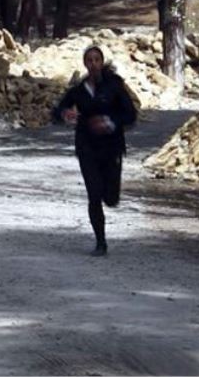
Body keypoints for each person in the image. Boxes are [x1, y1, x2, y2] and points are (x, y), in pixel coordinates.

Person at [52, 45, 137, 256]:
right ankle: (101, 242)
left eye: (97, 60)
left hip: (112, 147)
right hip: (87, 147)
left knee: (111, 198)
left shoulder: (114, 86)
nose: (93, 64)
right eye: (89, 60)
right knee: (94, 194)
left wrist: (110, 122)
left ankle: (110, 197)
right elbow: (58, 110)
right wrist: (65, 114)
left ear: (102, 61)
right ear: (85, 64)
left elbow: (130, 114)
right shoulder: (78, 91)